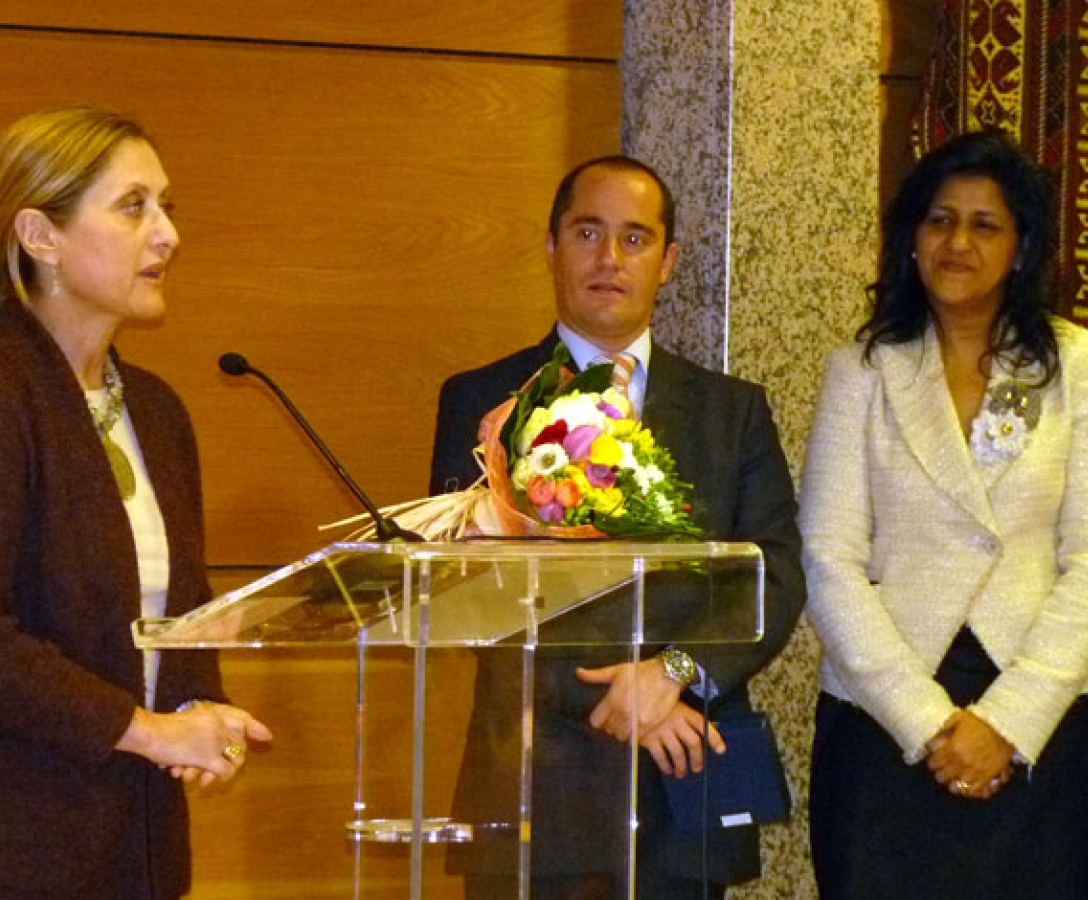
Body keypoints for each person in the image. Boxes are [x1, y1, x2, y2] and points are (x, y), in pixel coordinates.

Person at [0, 107, 272, 900]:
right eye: (134, 206)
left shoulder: (157, 409)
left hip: (121, 854)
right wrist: (148, 731)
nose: (168, 235)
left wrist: (201, 704)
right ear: (41, 236)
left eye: (167, 206)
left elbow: (178, 609)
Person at [430, 155, 805, 899]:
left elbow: (775, 571)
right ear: (551, 247)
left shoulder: (732, 411)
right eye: (588, 233)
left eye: (634, 240)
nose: (609, 258)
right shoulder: (479, 398)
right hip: (536, 778)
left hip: (684, 774)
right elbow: (463, 589)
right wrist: (616, 699)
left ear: (666, 262)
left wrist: (669, 677)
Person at [801, 129, 1088, 899]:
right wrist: (929, 722)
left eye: (984, 224)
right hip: (885, 727)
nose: (957, 241)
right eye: (938, 220)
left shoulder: (1075, 366)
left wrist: (1008, 723)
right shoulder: (862, 371)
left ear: (1022, 248)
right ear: (911, 240)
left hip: (1038, 727)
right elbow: (827, 560)